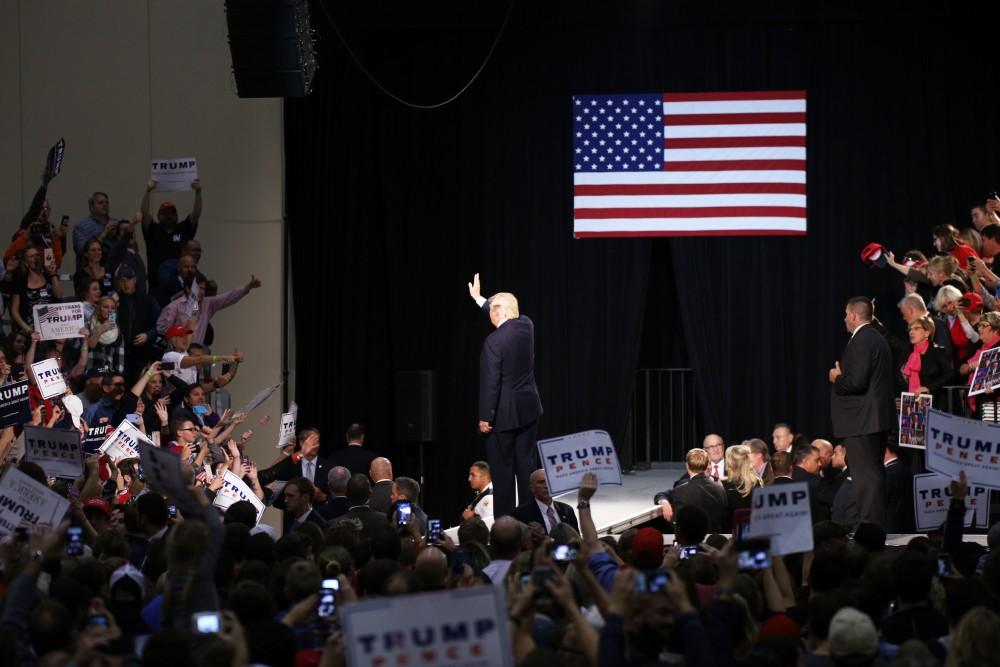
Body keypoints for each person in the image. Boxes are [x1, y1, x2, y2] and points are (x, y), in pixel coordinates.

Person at [468, 273, 543, 518]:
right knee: (525, 465)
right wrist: (480, 299)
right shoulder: (527, 326)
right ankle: (531, 517)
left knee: (502, 472)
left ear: (498, 312)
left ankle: (506, 523)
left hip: (502, 416)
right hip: (529, 409)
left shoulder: (494, 342)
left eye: (492, 309)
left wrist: (484, 418)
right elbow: (503, 309)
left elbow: (491, 384)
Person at [829, 296, 895, 526]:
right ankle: (871, 529)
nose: (844, 318)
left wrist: (837, 378)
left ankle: (870, 531)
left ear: (854, 315)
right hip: (871, 419)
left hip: (863, 421)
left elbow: (856, 382)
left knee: (866, 478)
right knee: (871, 475)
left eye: (846, 314)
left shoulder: (862, 339)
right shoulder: (876, 338)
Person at [156, 273, 261, 345]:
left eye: (203, 289)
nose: (201, 292)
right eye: (198, 288)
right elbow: (161, 329)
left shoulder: (207, 303)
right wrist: (177, 338)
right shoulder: (174, 306)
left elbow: (227, 298)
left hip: (198, 354)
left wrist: (247, 287)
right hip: (178, 356)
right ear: (188, 289)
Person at [140, 179, 202, 287]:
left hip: (181, 285)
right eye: (165, 213)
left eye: (172, 213)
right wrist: (148, 191)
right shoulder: (153, 230)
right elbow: (144, 214)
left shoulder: (183, 229)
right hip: (157, 286)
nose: (169, 216)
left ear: (177, 216)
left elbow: (196, 215)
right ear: (158, 216)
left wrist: (198, 192)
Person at [654, 448, 728, 533]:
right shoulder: (720, 488)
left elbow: (677, 522)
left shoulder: (680, 490)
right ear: (706, 465)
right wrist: (664, 502)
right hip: (715, 538)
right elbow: (724, 517)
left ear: (687, 466)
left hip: (691, 539)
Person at [899, 316, 954, 407]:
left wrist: (929, 388)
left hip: (935, 403)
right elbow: (900, 377)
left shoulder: (938, 351)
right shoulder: (908, 352)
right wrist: (903, 377)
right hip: (911, 402)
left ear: (927, 333)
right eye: (910, 329)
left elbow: (950, 375)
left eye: (916, 329)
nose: (911, 332)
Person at [10, 246, 61, 335]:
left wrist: (53, 274)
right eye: (31, 256)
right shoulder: (21, 281)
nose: (35, 258)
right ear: (26, 262)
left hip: (51, 327)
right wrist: (27, 328)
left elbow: (59, 295)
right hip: (31, 329)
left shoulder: (48, 277)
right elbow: (14, 310)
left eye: (37, 255)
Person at [511, 469, 578, 534]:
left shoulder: (567, 510)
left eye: (549, 482)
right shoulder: (521, 514)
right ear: (532, 488)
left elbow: (577, 538)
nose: (546, 486)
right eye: (541, 482)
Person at [721, 444, 762, 527]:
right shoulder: (757, 482)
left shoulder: (724, 484)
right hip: (752, 530)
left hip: (730, 532)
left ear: (731, 462)